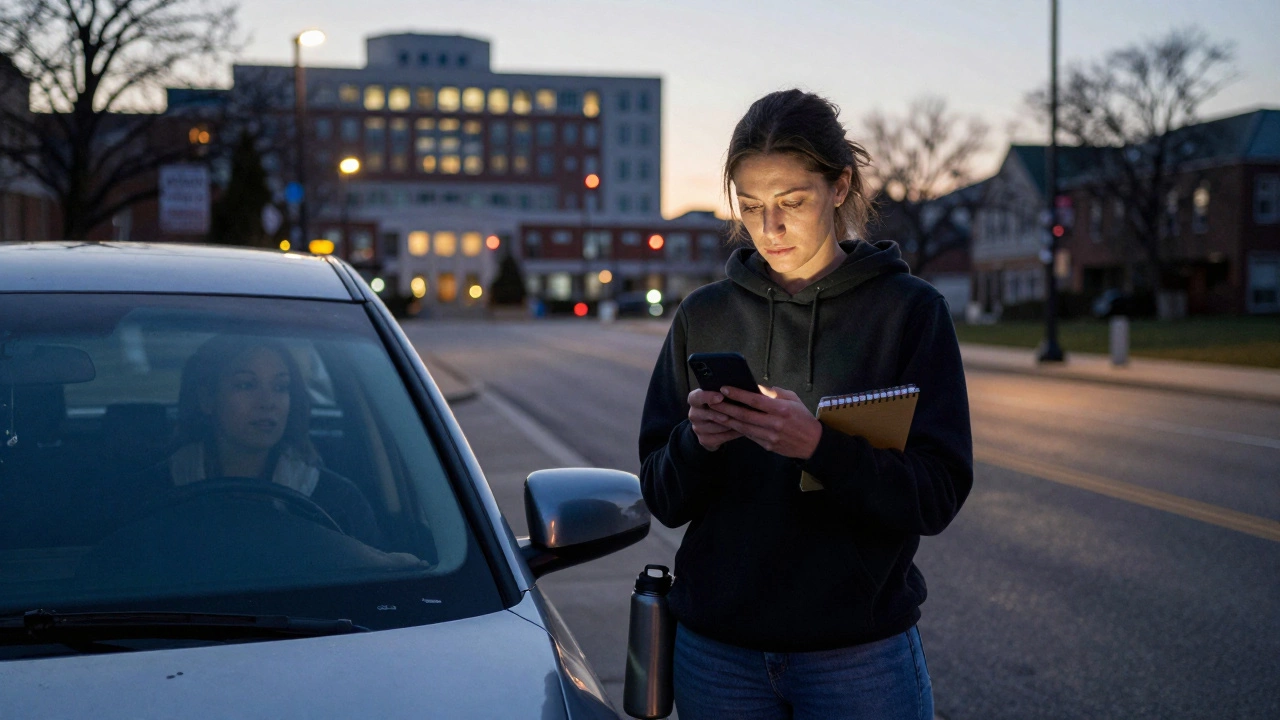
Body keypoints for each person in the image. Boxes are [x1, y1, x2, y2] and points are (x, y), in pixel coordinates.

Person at [638, 89, 973, 719]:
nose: (770, 228)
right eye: (752, 206)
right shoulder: (703, 315)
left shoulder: (907, 312)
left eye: (792, 202)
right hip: (718, 652)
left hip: (857, 654)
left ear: (840, 185)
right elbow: (660, 493)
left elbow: (937, 493)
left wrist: (819, 447)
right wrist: (697, 443)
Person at [161, 334, 382, 546]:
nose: (268, 402)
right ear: (207, 398)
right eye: (246, 385)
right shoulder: (156, 492)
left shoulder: (337, 504)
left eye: (280, 387)